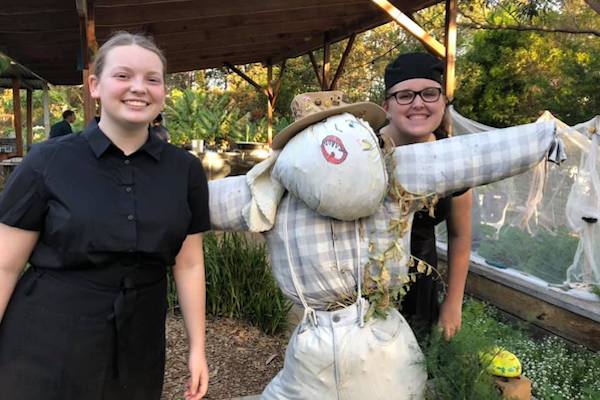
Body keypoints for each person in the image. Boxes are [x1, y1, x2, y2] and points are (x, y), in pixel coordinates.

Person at [0, 32, 209, 400]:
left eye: (152, 79)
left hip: (139, 342)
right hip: (47, 339)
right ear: (95, 86)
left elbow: (189, 264)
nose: (139, 88)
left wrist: (197, 348)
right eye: (123, 76)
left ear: (163, 92)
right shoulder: (47, 161)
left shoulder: (185, 170)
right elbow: (4, 265)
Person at [380, 52, 473, 341]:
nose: (418, 103)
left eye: (430, 93)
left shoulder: (455, 161)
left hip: (421, 287)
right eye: (405, 95)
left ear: (443, 102)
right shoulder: (364, 148)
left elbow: (460, 236)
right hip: (364, 284)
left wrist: (453, 303)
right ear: (387, 106)